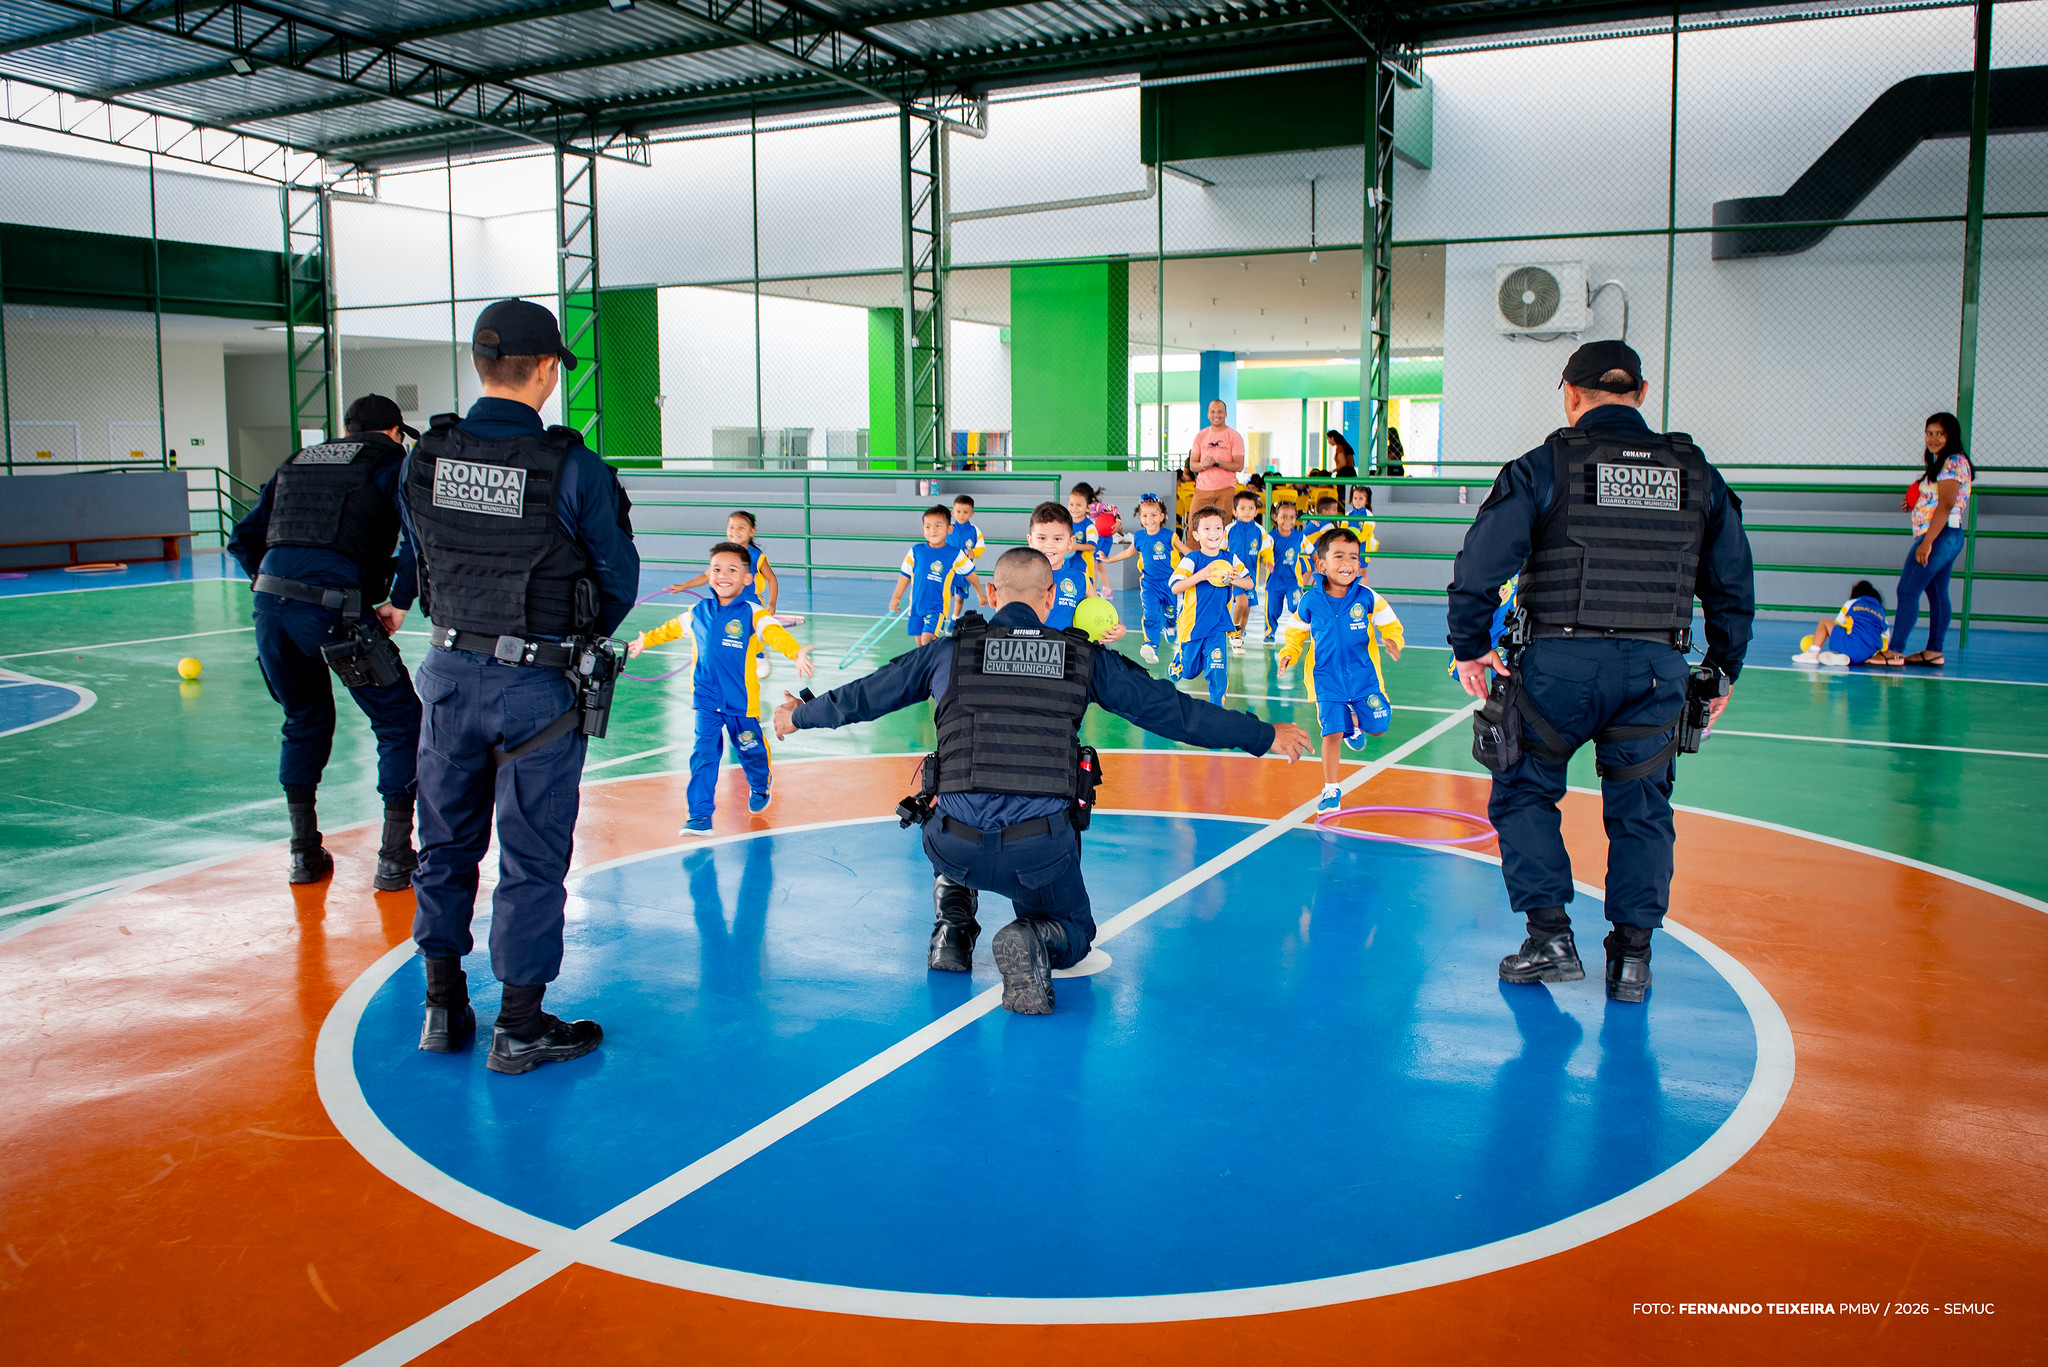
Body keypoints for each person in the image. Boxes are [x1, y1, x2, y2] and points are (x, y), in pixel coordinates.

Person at [771, 546, 1313, 1013]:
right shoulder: (1082, 658)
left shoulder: (947, 651)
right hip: (1039, 851)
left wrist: (796, 715)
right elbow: (1173, 713)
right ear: (1051, 597)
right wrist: (1263, 734)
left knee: (949, 800)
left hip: (952, 842)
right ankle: (1033, 935)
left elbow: (864, 696)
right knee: (1076, 934)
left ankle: (952, 934)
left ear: (989, 590)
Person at [1448, 339, 1754, 1004]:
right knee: (1643, 813)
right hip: (1654, 672)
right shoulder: (1696, 473)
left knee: (1524, 791)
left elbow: (1479, 565)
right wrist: (1721, 669)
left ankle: (1550, 938)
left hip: (1558, 667)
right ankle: (1633, 960)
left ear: (1572, 394)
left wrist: (1471, 646)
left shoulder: (1544, 465)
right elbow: (1731, 581)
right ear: (1641, 394)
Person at [400, 299, 641, 1074]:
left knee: (442, 845)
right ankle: (520, 1023)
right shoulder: (573, 467)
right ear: (545, 370)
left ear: (480, 366)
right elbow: (617, 581)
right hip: (535, 683)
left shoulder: (424, 456)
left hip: (445, 671)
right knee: (531, 855)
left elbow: (422, 560)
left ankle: (443, 1007)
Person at [228, 393, 424, 888]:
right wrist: (398, 603)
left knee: (303, 718)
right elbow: (419, 541)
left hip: (270, 606)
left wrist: (277, 589)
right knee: (400, 721)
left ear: (348, 427)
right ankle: (395, 859)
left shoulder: (297, 461)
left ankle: (303, 854)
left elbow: (242, 538)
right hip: (333, 608)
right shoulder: (392, 462)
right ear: (396, 432)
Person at [628, 542, 813, 832]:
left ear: (747, 578)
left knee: (750, 751)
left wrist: (795, 652)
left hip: (741, 703)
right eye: (716, 569)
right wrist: (644, 641)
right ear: (708, 573)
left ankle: (761, 782)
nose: (722, 575)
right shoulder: (698, 611)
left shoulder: (753, 612)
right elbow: (670, 629)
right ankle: (699, 816)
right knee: (704, 755)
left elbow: (774, 633)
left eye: (731, 569)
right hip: (706, 701)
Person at [1276, 526, 1405, 813]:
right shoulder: (1311, 601)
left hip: (1364, 678)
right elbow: (1295, 632)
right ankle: (1331, 789)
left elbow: (1390, 623)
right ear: (1321, 565)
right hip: (1326, 680)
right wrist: (1289, 653)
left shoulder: (1368, 596)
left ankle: (1357, 726)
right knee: (1331, 733)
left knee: (1379, 728)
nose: (1348, 563)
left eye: (1353, 557)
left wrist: (1394, 641)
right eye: (1339, 556)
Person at [1873, 411, 1975, 668]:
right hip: (1942, 535)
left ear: (1950, 435)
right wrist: (1916, 503)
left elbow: (1947, 504)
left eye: (1940, 433)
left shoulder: (1953, 462)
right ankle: (1933, 652)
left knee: (1907, 590)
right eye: (1929, 433)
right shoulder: (1942, 463)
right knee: (1938, 594)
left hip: (1939, 536)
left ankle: (1894, 651)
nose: (1933, 438)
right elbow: (1935, 500)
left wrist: (1927, 542)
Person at [666, 510, 779, 676]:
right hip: (726, 601)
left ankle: (759, 653)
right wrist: (683, 586)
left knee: (751, 631)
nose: (735, 531)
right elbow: (707, 575)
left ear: (751, 532)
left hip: (750, 603)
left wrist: (772, 603)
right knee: (727, 632)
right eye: (732, 527)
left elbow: (772, 579)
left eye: (741, 527)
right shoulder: (724, 554)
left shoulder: (756, 556)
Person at [1169, 506, 1254, 706]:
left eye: (1218, 528)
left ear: (1223, 533)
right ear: (1196, 535)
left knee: (1217, 668)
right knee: (1189, 672)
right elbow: (1175, 586)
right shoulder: (1192, 559)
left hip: (1218, 625)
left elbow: (1249, 583)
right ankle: (1179, 661)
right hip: (1193, 625)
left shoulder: (1230, 559)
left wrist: (1234, 579)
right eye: (1206, 529)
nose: (1213, 533)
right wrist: (1201, 575)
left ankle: (1218, 708)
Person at [1106, 493, 1178, 666]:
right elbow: (1127, 553)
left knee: (1170, 610)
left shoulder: (1170, 535)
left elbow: (1187, 552)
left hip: (1170, 583)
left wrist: (1202, 561)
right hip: (1149, 584)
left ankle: (1170, 623)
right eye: (1144, 515)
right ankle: (1150, 645)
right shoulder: (1138, 537)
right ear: (1140, 517)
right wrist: (1108, 559)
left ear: (1162, 517)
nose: (1149, 519)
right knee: (1151, 615)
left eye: (1153, 515)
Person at [890, 506, 975, 646]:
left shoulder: (953, 553)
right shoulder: (916, 551)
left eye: (938, 526)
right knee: (920, 645)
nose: (933, 530)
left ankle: (937, 662)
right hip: (916, 607)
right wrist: (896, 596)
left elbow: (970, 573)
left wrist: (980, 593)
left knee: (927, 639)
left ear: (948, 529)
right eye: (928, 526)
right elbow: (905, 575)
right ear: (923, 530)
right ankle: (927, 664)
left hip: (936, 607)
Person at [1025, 502, 1112, 636]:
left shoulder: (1080, 579)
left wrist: (1118, 626)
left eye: (1057, 539)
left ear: (1070, 542)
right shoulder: (1020, 577)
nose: (1049, 544)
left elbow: (1100, 609)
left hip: (1067, 652)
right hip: (1032, 651)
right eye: (1042, 538)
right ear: (1030, 540)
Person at [1793, 580, 1889, 667]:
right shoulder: (1881, 612)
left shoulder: (1852, 603)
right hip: (1868, 653)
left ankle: (1812, 653)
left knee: (1825, 623)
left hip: (1851, 644)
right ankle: (1843, 657)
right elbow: (1885, 639)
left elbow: (1838, 624)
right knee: (1853, 641)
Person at [1264, 500, 1309, 679]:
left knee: (1296, 607)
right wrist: (1266, 561)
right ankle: (1270, 632)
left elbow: (1312, 551)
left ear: (1296, 518)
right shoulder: (1270, 537)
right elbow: (1265, 552)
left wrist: (1318, 561)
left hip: (1293, 581)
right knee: (1272, 610)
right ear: (1275, 517)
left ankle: (1305, 630)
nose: (1287, 520)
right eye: (1283, 516)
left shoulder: (1299, 537)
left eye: (1291, 517)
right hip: (1275, 581)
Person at [1188, 399, 1247, 527]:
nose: (1216, 415)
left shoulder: (1234, 436)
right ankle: (1193, 549)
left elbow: (1239, 465)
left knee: (1222, 528)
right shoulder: (1200, 436)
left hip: (1226, 489)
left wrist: (1217, 463)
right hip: (1202, 489)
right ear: (1208, 414)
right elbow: (1192, 465)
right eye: (1213, 411)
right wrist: (1203, 465)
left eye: (1220, 411)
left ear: (1225, 413)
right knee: (1194, 526)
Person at [1225, 488, 1269, 652]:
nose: (1247, 512)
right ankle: (1233, 632)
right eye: (1242, 508)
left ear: (1256, 511)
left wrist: (1268, 561)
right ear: (1235, 512)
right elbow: (1221, 550)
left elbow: (1266, 550)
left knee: (1247, 609)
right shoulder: (1229, 530)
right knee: (1241, 602)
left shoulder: (1259, 531)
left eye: (1251, 508)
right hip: (1234, 576)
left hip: (1251, 577)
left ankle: (1238, 637)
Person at [944, 494, 991, 612]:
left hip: (965, 570)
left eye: (965, 512)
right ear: (953, 512)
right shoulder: (948, 528)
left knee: (960, 598)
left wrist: (974, 553)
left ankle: (955, 618)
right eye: (958, 511)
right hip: (948, 569)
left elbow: (981, 547)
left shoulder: (974, 531)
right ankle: (942, 617)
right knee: (946, 595)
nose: (961, 515)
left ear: (971, 514)